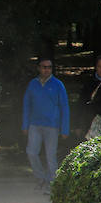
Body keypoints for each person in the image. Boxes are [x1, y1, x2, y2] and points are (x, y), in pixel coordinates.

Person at [22, 58, 69, 189]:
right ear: (38, 68)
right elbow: (27, 105)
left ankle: (52, 183)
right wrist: (25, 125)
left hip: (52, 125)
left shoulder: (58, 84)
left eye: (49, 67)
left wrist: (65, 129)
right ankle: (41, 178)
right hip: (34, 124)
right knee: (31, 152)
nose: (46, 69)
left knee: (50, 155)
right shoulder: (33, 84)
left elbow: (64, 107)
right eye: (44, 67)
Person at [77, 55, 101, 138]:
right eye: (99, 66)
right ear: (96, 67)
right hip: (89, 124)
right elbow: (81, 104)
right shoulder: (89, 83)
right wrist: (78, 125)